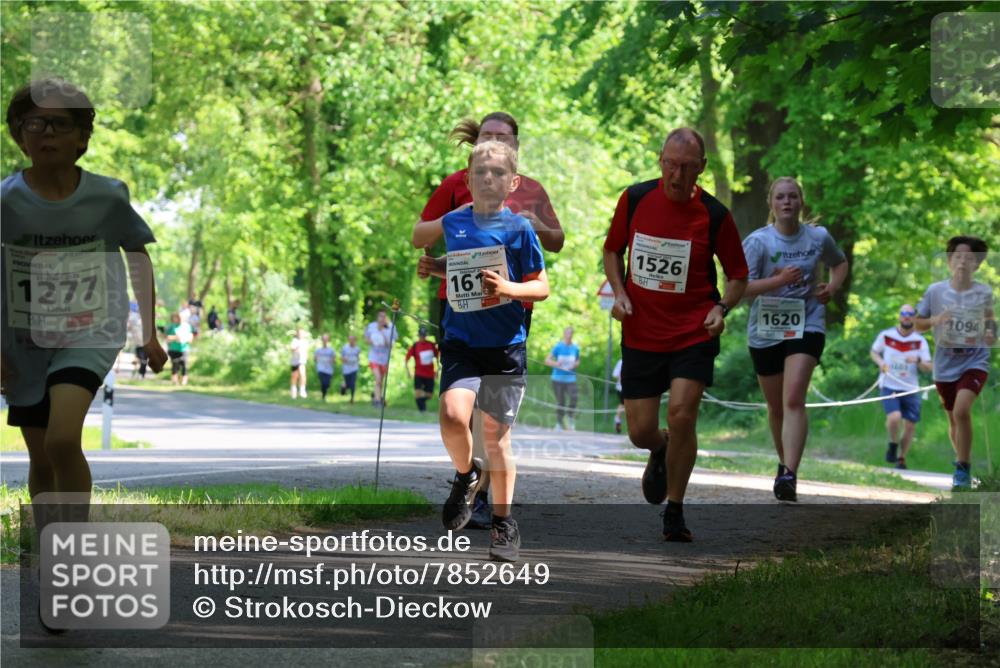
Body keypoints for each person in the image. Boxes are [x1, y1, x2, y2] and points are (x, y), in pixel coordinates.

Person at [0, 79, 167, 544]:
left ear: (82, 137)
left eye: (60, 123)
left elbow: (137, 254)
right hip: (23, 342)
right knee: (40, 456)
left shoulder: (107, 197)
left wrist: (148, 334)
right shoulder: (6, 200)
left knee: (60, 439)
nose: (46, 133)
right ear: (19, 134)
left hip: (90, 330)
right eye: (35, 122)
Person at [416, 111, 565, 529]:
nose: (487, 177)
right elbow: (427, 238)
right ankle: (468, 479)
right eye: (480, 168)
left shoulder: (524, 209)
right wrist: (437, 264)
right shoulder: (455, 196)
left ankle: (497, 513)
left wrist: (514, 278)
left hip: (507, 326)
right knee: (455, 411)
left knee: (494, 429)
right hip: (461, 322)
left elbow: (551, 256)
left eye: (497, 168)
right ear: (470, 168)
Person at [602, 127, 748, 542]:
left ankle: (676, 509)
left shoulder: (715, 215)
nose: (677, 174)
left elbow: (738, 276)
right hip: (642, 330)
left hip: (693, 329)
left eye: (686, 167)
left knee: (682, 413)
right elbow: (612, 250)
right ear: (660, 161)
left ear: (701, 168)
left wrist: (722, 309)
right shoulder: (634, 199)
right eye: (670, 164)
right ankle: (660, 447)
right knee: (639, 431)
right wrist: (620, 291)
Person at [742, 176, 848, 503]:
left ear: (801, 202)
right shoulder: (759, 242)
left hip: (807, 322)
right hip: (766, 326)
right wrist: (777, 280)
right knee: (776, 406)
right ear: (771, 204)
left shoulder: (818, 237)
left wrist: (831, 287)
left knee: (792, 399)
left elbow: (839, 263)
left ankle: (789, 473)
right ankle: (784, 464)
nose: (787, 203)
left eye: (792, 197)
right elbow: (740, 289)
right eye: (780, 198)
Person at [915, 235, 995, 490]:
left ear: (977, 264)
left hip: (975, 359)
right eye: (958, 256)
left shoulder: (983, 291)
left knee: (962, 411)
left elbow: (990, 319)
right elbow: (916, 324)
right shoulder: (935, 291)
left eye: (969, 258)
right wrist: (937, 320)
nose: (963, 262)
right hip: (945, 365)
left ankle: (962, 467)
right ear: (949, 261)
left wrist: (992, 331)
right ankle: (962, 463)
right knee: (953, 420)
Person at [870, 304, 932, 469]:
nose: (907, 317)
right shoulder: (886, 335)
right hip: (889, 385)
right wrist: (881, 362)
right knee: (894, 417)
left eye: (910, 314)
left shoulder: (920, 341)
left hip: (910, 388)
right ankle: (892, 444)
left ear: (914, 318)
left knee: (910, 425)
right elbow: (874, 352)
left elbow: (928, 366)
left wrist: (918, 361)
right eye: (904, 313)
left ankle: (901, 458)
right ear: (899, 316)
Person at [545, 327, 580, 431]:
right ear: (564, 334)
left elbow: (578, 361)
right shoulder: (558, 347)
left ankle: (570, 418)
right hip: (558, 379)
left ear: (572, 335)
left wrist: (575, 364)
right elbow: (547, 360)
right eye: (567, 333)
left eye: (571, 333)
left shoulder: (575, 348)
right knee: (561, 402)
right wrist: (556, 364)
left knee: (574, 398)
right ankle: (559, 424)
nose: (569, 335)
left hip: (571, 379)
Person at [365, 310, 398, 406]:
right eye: (380, 316)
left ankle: (377, 395)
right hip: (374, 357)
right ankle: (377, 401)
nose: (382, 318)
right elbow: (366, 339)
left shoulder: (391, 327)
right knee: (378, 378)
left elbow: (392, 344)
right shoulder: (371, 326)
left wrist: (383, 332)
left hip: (384, 358)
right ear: (377, 317)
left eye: (384, 316)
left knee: (381, 381)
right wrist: (371, 341)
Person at [405, 326, 439, 412]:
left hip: (430, 374)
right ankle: (422, 411)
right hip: (419, 374)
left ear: (426, 335)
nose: (422, 337)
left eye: (424, 335)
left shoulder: (431, 345)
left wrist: (437, 370)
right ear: (418, 335)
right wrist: (408, 371)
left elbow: (437, 358)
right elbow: (406, 359)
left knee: (429, 395)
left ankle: (421, 405)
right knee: (418, 393)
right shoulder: (415, 346)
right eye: (421, 335)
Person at [165, 312, 193, 386]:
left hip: (184, 348)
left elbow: (191, 337)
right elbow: (167, 338)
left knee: (184, 364)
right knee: (175, 364)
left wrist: (186, 339)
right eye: (178, 317)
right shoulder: (172, 326)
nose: (180, 319)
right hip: (173, 349)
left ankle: (184, 381)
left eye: (181, 317)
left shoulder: (187, 326)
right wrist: (176, 338)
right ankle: (175, 381)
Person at [314, 333, 336, 401]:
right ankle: (323, 396)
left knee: (327, 383)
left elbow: (334, 360)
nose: (325, 341)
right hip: (321, 368)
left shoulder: (331, 350)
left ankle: (325, 393)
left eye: (326, 339)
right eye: (323, 339)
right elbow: (315, 359)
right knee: (323, 382)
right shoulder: (318, 350)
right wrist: (317, 359)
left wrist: (331, 360)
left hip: (329, 369)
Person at [340, 334, 361, 403]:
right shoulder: (345, 348)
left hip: (354, 368)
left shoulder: (357, 348)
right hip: (346, 368)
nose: (351, 341)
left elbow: (358, 357)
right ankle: (343, 388)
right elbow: (341, 358)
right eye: (350, 339)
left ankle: (352, 398)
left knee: (353, 383)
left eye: (353, 340)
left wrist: (356, 360)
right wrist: (344, 359)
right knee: (348, 383)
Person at [289, 326, 309, 399]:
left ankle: (302, 390)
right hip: (295, 361)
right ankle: (293, 389)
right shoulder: (295, 341)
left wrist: (306, 356)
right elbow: (292, 349)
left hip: (302, 361)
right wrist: (297, 347)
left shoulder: (305, 341)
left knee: (302, 374)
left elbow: (306, 351)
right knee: (294, 376)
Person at [612, 357, 625, 434]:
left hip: (621, 388)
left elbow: (615, 374)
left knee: (622, 404)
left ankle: (617, 419)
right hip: (621, 388)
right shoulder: (621, 362)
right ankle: (617, 419)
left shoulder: (620, 361)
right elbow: (615, 374)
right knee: (625, 404)